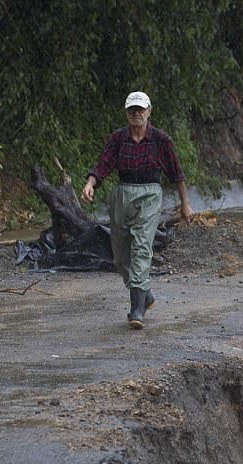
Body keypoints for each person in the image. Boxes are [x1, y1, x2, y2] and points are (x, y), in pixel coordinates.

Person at [82, 91, 194, 329]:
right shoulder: (118, 139)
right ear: (126, 113)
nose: (136, 113)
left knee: (142, 247)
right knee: (121, 258)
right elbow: (103, 165)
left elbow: (177, 173)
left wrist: (185, 204)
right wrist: (90, 183)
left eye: (140, 109)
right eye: (132, 109)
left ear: (149, 112)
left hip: (150, 194)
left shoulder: (161, 140)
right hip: (123, 194)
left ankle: (136, 310)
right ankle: (146, 295)